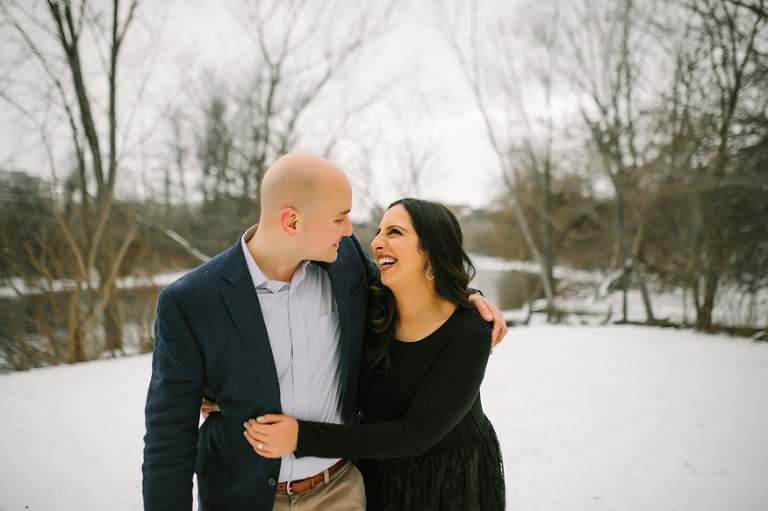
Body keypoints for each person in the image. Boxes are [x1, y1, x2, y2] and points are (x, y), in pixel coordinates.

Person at [142, 153, 507, 511]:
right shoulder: (190, 301)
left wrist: (468, 298)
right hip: (243, 496)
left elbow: (414, 285)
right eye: (339, 218)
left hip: (340, 491)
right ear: (293, 222)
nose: (351, 231)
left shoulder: (343, 262)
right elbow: (168, 437)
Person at [242, 198, 506, 511]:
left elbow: (418, 433)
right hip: (377, 469)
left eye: (394, 232)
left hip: (449, 477)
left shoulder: (469, 331)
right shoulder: (370, 306)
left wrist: (301, 437)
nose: (377, 242)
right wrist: (217, 387)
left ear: (432, 250)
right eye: (379, 231)